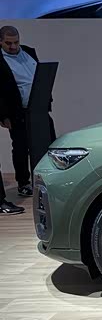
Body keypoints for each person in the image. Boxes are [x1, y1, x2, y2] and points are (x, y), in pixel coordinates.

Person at [0, 25, 55, 197]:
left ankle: (48, 180)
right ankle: (23, 183)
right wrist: (3, 116)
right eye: (8, 43)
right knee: (21, 149)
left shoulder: (29, 52)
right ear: (0, 42)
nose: (13, 46)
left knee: (48, 144)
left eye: (16, 42)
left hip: (39, 108)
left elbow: (38, 76)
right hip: (17, 112)